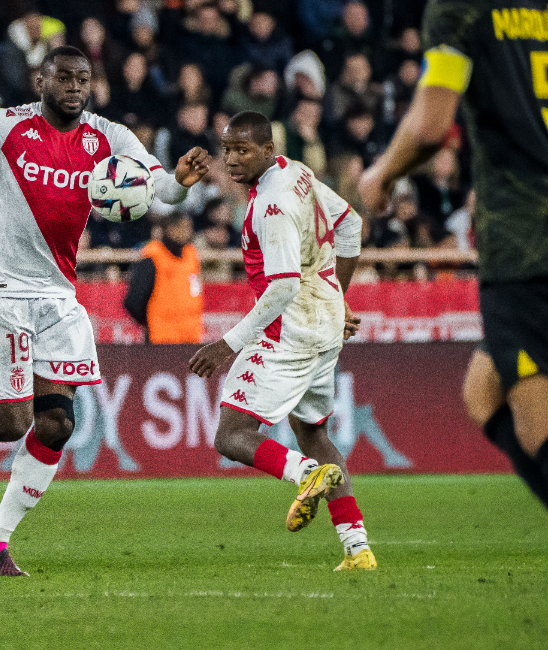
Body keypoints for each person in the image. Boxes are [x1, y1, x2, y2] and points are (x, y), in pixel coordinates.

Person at [0, 40, 209, 575]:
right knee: (10, 421)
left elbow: (159, 187)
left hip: (57, 295)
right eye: (63, 77)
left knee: (56, 424)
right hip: (0, 288)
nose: (73, 87)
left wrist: (181, 182)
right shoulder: (6, 125)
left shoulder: (109, 137)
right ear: (41, 81)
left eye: (82, 79)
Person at [358, 0, 548, 509]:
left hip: (527, 244)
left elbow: (430, 126)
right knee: (482, 391)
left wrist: (382, 173)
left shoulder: (460, 9)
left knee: (537, 427)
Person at [188, 112, 374, 571]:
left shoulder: (271, 205)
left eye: (243, 150)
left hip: (288, 333)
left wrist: (227, 344)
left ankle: (306, 474)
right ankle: (357, 549)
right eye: (227, 150)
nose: (232, 159)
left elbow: (284, 286)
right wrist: (337, 298)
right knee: (313, 432)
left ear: (268, 150)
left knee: (231, 435)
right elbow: (351, 226)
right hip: (324, 328)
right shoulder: (297, 172)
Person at [124, 214, 202, 344]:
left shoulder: (191, 254)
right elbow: (134, 301)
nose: (189, 232)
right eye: (185, 227)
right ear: (171, 229)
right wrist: (151, 322)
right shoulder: (153, 257)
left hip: (191, 337)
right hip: (161, 338)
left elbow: (196, 291)